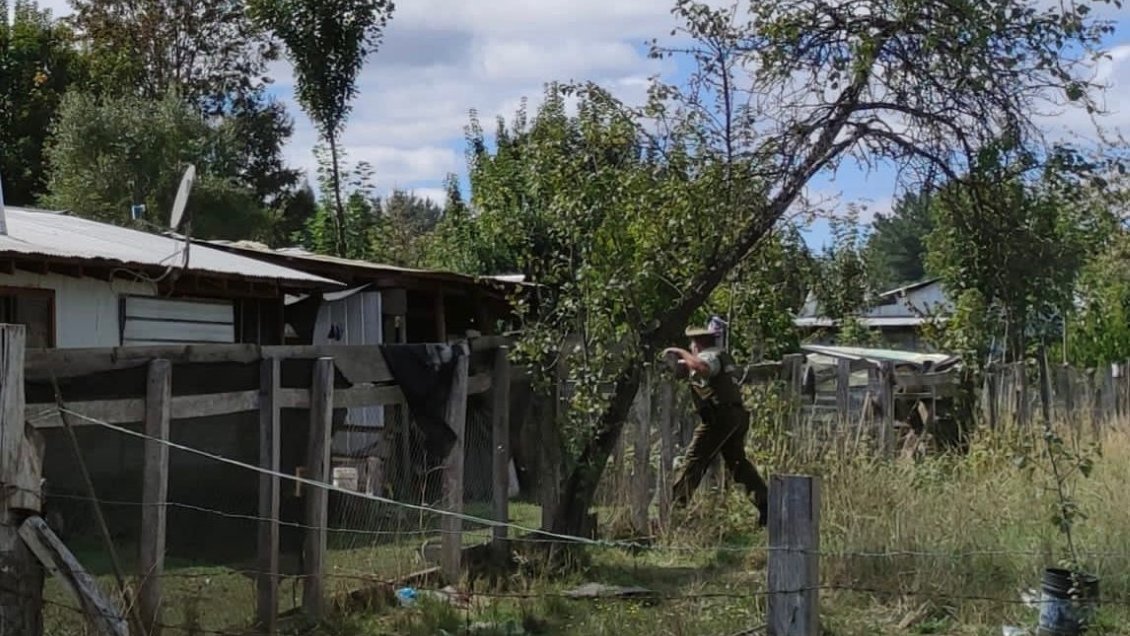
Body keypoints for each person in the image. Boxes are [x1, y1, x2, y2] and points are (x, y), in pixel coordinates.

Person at [663, 317, 770, 526]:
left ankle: (673, 511)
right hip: (735, 415)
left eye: (691, 345)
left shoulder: (708, 355)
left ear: (697, 342)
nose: (690, 348)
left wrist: (680, 352)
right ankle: (767, 505)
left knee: (694, 460)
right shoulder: (723, 356)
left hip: (719, 416)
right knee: (738, 465)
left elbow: (702, 368)